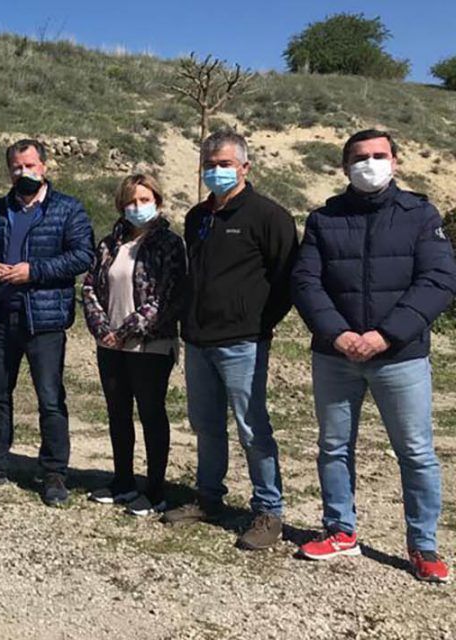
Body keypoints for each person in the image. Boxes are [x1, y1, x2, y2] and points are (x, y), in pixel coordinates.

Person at [292, 129, 456, 583]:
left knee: (417, 452)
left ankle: (423, 546)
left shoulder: (421, 214)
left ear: (396, 162)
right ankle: (340, 530)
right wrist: (338, 333)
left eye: (378, 155)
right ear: (344, 167)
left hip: (400, 356)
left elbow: (438, 281)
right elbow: (306, 282)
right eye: (359, 157)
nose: (369, 164)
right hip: (335, 355)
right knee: (333, 446)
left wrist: (385, 335)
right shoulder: (324, 219)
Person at [161, 131, 299, 552]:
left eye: (224, 163)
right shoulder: (196, 217)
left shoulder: (269, 216)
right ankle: (208, 498)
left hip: (243, 342)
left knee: (252, 427)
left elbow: (287, 280)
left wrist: (257, 322)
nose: (216, 171)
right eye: (209, 164)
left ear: (244, 167)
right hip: (199, 340)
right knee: (206, 424)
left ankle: (268, 510)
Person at [0, 139, 95, 506]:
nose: (23, 173)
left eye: (30, 166)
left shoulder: (67, 209)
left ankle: (54, 473)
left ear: (44, 167)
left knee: (49, 399)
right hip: (1, 317)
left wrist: (35, 271)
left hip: (44, 320)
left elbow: (82, 255)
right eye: (16, 167)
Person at [80, 174, 186, 517]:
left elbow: (166, 295)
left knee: (151, 412)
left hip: (149, 344)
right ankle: (123, 481)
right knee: (118, 413)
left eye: (144, 199)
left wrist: (127, 330)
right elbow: (90, 288)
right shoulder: (110, 244)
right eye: (131, 201)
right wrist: (102, 328)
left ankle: (155, 490)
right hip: (109, 343)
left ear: (157, 200)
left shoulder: (169, 244)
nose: (137, 206)